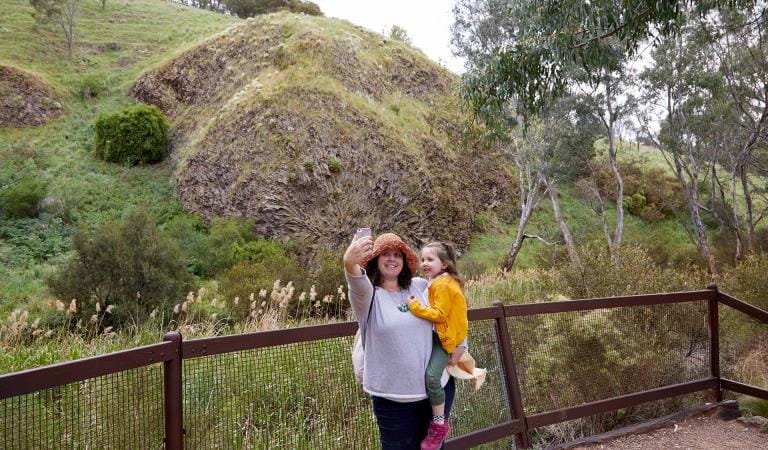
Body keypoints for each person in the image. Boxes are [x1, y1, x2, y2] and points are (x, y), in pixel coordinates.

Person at [343, 232, 464, 449]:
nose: (392, 259)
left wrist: (461, 344)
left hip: (436, 390)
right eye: (385, 254)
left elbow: (454, 308)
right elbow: (356, 281)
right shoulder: (369, 297)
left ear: (404, 261)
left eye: (397, 254)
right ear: (375, 260)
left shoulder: (419, 286)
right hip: (393, 400)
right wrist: (348, 262)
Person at [407, 242, 468, 450]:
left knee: (432, 377)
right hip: (443, 338)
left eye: (430, 260)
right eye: (423, 259)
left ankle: (439, 424)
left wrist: (413, 306)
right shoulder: (438, 281)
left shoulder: (442, 284)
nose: (425, 263)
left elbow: (440, 315)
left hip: (443, 340)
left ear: (444, 264)